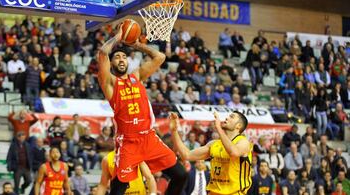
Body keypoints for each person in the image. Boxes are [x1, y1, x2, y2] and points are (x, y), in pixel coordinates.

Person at [96, 23, 186, 195]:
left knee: (181, 175)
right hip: (128, 142)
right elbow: (102, 52)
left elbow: (159, 57)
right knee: (119, 188)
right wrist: (119, 37)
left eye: (124, 57)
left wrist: (136, 45)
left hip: (149, 138)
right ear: (112, 63)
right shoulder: (110, 83)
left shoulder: (136, 76)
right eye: (117, 57)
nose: (121, 59)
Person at [170, 111, 252, 195]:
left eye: (232, 117)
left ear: (238, 126)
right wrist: (174, 131)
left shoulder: (243, 142)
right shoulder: (214, 144)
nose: (227, 118)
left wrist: (218, 128)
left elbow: (234, 152)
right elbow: (186, 155)